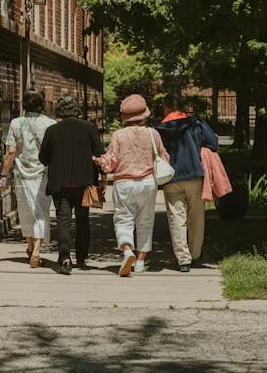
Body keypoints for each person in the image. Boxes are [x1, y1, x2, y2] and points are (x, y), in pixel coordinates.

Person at [95, 94, 169, 276]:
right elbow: (164, 157)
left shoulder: (119, 135)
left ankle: (127, 251)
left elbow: (110, 163)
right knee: (145, 222)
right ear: (145, 115)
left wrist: (99, 162)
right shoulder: (153, 133)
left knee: (123, 220)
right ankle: (141, 261)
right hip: (148, 183)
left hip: (124, 183)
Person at [39, 96, 106, 275]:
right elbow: (100, 154)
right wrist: (102, 178)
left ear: (59, 111)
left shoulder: (52, 130)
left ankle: (65, 258)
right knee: (83, 220)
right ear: (77, 109)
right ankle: (82, 258)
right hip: (85, 183)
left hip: (60, 184)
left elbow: (43, 158)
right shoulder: (89, 128)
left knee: (63, 220)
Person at [155, 94, 218, 272]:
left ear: (166, 107)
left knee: (176, 218)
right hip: (195, 174)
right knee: (196, 218)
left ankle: (183, 259)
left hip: (171, 178)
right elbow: (213, 142)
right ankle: (195, 255)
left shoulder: (160, 129)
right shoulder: (195, 124)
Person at [0, 90, 56, 268]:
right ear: (42, 104)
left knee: (26, 212)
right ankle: (36, 250)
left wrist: (3, 175)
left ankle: (31, 246)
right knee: (41, 212)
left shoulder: (16, 123)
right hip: (43, 174)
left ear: (25, 104)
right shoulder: (51, 124)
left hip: (22, 175)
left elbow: (11, 152)